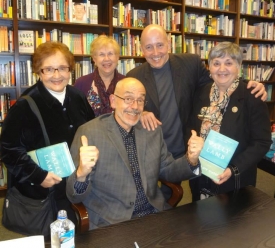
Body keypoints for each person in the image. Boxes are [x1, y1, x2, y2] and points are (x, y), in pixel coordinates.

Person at [126, 24, 267, 199]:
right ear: (141, 50)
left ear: (169, 44)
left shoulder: (190, 64)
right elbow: (126, 106)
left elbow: (223, 76)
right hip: (166, 152)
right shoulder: (134, 75)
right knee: (158, 202)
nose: (155, 52)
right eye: (149, 47)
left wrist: (251, 84)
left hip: (203, 160)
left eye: (160, 45)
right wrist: (141, 112)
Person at [66, 77, 203, 230]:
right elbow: (74, 196)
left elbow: (167, 170)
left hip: (154, 213)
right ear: (113, 100)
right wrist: (81, 174)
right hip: (112, 222)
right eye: (128, 98)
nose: (135, 106)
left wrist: (190, 160)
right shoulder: (89, 133)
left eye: (140, 100)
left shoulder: (151, 129)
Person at [0, 41, 95, 233]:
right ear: (39, 71)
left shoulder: (78, 97)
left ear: (70, 69)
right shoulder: (25, 105)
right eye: (49, 69)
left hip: (77, 184)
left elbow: (92, 130)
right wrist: (38, 175)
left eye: (62, 68)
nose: (57, 75)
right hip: (45, 193)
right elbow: (7, 149)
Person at [187, 42, 271, 201]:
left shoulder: (252, 96)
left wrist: (233, 169)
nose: (222, 69)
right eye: (216, 63)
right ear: (209, 67)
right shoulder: (201, 94)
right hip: (201, 175)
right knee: (200, 220)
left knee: (233, 223)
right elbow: (191, 126)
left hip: (234, 179)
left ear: (239, 66)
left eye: (229, 63)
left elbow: (262, 142)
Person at [74, 35, 125, 116]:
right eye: (101, 54)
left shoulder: (127, 83)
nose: (106, 59)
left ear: (117, 57)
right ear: (94, 59)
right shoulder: (81, 83)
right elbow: (76, 115)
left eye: (110, 54)